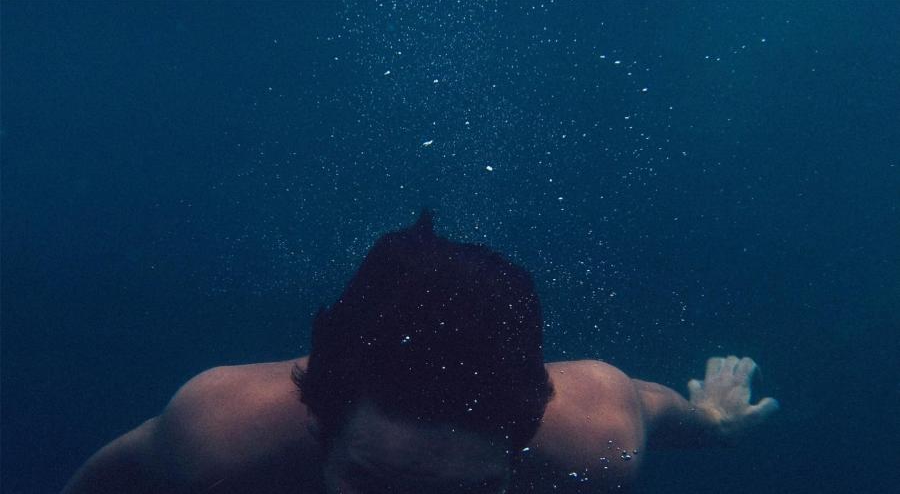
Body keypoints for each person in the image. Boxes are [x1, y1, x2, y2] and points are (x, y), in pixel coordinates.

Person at [62, 211, 779, 494]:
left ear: (521, 444)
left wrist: (712, 420)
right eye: (372, 484)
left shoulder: (594, 435)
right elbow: (106, 481)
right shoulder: (223, 435)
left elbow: (657, 408)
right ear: (318, 417)